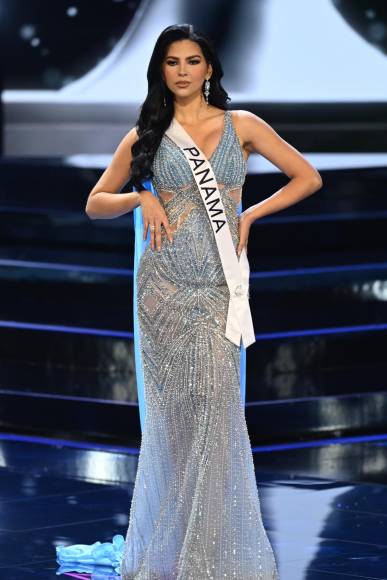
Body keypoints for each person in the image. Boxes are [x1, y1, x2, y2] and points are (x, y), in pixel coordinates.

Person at [56, 23, 322, 579]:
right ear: (161, 70)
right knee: (175, 425)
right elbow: (94, 203)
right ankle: (173, 554)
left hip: (220, 286)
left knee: (217, 417)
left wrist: (251, 213)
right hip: (163, 291)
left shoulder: (241, 125)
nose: (182, 71)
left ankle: (211, 558)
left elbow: (307, 177)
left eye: (192, 61)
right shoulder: (147, 136)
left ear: (209, 69)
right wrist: (138, 198)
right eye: (172, 62)